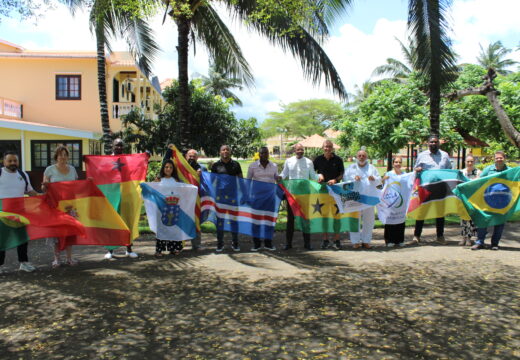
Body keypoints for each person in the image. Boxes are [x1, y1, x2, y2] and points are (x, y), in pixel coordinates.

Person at [0, 151, 38, 272]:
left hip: (20, 212)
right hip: (2, 212)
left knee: (22, 238)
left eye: (15, 160)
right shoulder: (0, 173)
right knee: (1, 239)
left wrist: (42, 196)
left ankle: (24, 263)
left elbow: (30, 191)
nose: (12, 163)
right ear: (4, 161)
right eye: (9, 160)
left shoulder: (23, 174)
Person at [42, 145, 79, 267]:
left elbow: (76, 186)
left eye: (65, 154)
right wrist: (45, 185)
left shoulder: (73, 169)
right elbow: (43, 188)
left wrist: (88, 182)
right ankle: (56, 259)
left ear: (68, 157)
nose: (63, 157)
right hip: (55, 207)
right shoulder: (49, 170)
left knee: (70, 232)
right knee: (56, 233)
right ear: (56, 156)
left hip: (69, 206)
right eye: (60, 154)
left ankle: (69, 258)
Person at [164, 145, 206, 250]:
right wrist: (170, 151)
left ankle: (196, 245)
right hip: (181, 199)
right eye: (190, 156)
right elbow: (166, 162)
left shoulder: (202, 168)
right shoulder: (179, 167)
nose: (191, 158)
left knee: (195, 221)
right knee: (179, 220)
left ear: (197, 157)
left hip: (195, 199)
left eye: (194, 156)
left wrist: (200, 173)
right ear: (186, 156)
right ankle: (178, 245)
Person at [413, 135, 452, 244]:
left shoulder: (445, 155)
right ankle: (417, 236)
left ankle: (440, 236)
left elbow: (449, 170)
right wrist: (417, 170)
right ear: (427, 143)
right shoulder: (421, 156)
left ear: (438, 143)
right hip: (426, 189)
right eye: (431, 142)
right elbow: (414, 170)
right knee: (421, 212)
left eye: (435, 142)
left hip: (440, 188)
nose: (433, 144)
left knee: (440, 213)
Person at [104, 138, 138, 259]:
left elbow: (136, 168)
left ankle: (129, 249)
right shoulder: (106, 160)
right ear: (112, 146)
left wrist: (145, 157)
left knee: (127, 220)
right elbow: (101, 172)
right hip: (112, 194)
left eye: (121, 146)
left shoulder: (127, 160)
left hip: (125, 194)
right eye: (116, 145)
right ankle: (110, 251)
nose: (119, 147)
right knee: (112, 222)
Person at [280, 143, 317, 250]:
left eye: (302, 149)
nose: (300, 151)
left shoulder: (309, 162)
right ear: (294, 150)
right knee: (290, 220)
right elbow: (284, 174)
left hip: (305, 194)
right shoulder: (289, 161)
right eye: (298, 149)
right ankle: (288, 243)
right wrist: (278, 177)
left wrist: (320, 177)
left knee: (305, 219)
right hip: (292, 194)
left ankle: (307, 244)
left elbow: (313, 176)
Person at [472, 151, 509, 251]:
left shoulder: (509, 171)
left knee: (499, 222)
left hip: (503, 201)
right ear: (494, 159)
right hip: (487, 200)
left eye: (501, 158)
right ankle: (479, 242)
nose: (499, 159)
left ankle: (494, 243)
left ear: (504, 158)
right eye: (497, 158)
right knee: (483, 220)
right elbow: (479, 180)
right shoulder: (488, 170)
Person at [344, 149, 381, 249]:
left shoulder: (372, 168)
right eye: (359, 155)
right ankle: (355, 241)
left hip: (369, 197)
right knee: (354, 219)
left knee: (369, 220)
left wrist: (374, 179)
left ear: (367, 157)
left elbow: (379, 181)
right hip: (355, 197)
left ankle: (366, 241)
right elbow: (345, 180)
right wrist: (353, 179)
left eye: (363, 156)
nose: (361, 157)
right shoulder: (351, 168)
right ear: (356, 157)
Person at [246, 146, 280, 251]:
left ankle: (268, 243)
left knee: (269, 220)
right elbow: (248, 181)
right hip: (257, 198)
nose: (264, 155)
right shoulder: (252, 166)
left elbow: (276, 179)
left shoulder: (274, 166)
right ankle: (256, 244)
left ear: (268, 154)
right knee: (256, 220)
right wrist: (247, 196)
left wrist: (279, 180)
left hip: (270, 197)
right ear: (259, 154)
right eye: (262, 153)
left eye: (266, 153)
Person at [313, 140, 345, 250]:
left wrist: (335, 180)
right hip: (322, 192)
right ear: (322, 147)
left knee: (337, 217)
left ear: (332, 148)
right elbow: (312, 173)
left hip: (335, 191)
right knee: (324, 217)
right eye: (326, 146)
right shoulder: (317, 160)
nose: (328, 148)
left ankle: (337, 240)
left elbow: (342, 174)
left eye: (330, 147)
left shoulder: (338, 160)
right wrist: (318, 175)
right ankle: (325, 240)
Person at [211, 145, 243, 252]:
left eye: (227, 150)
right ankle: (220, 243)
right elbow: (211, 181)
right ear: (220, 152)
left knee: (234, 221)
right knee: (220, 221)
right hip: (220, 198)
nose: (225, 151)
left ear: (230, 152)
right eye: (223, 150)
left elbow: (241, 180)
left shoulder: (236, 164)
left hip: (233, 197)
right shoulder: (215, 165)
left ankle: (235, 243)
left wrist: (244, 194)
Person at [154, 160, 185, 256]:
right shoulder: (159, 180)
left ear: (173, 169)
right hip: (161, 208)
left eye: (171, 167)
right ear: (163, 168)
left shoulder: (176, 180)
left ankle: (174, 248)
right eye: (166, 167)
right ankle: (159, 250)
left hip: (173, 208)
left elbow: (183, 190)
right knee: (161, 228)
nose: (168, 169)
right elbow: (152, 190)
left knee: (174, 227)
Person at [381, 156, 406, 248]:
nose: (398, 164)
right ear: (393, 163)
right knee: (390, 220)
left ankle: (399, 240)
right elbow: (380, 186)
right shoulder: (388, 174)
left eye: (399, 162)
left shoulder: (404, 175)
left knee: (400, 219)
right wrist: (383, 180)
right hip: (390, 201)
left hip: (401, 201)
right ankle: (389, 240)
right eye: (396, 162)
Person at [459, 155, 481, 246]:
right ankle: (463, 237)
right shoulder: (461, 172)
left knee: (471, 220)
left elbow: (478, 184)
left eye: (471, 161)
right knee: (463, 219)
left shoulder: (478, 172)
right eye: (468, 161)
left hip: (473, 199)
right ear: (465, 162)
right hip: (463, 199)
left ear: (474, 162)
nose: (470, 163)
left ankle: (469, 238)